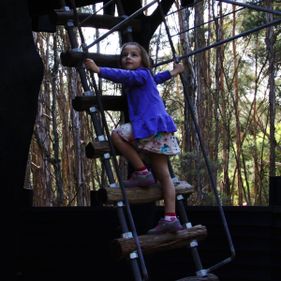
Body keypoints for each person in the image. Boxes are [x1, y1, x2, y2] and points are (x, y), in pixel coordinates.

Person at [84, 42, 185, 234]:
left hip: (150, 126)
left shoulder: (140, 74)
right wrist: (174, 72)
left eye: (134, 55)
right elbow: (158, 78)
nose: (128, 57)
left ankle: (141, 172)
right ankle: (171, 217)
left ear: (143, 60)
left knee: (117, 135)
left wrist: (99, 70)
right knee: (164, 177)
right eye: (125, 55)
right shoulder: (146, 78)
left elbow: (124, 75)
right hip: (159, 129)